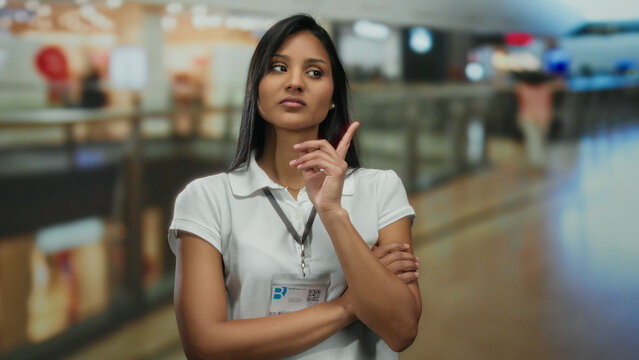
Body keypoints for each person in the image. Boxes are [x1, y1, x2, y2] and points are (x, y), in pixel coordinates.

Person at [168, 14, 421, 359]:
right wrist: (350, 304)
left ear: (333, 96)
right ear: (255, 87)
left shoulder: (381, 188)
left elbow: (402, 329)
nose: (296, 82)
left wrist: (332, 213)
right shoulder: (207, 199)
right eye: (278, 68)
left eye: (315, 72)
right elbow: (205, 345)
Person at [513, 70, 555, 170]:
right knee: (541, 141)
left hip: (528, 117)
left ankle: (536, 164)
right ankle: (540, 163)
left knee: (533, 141)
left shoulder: (521, 88)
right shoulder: (546, 88)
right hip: (545, 117)